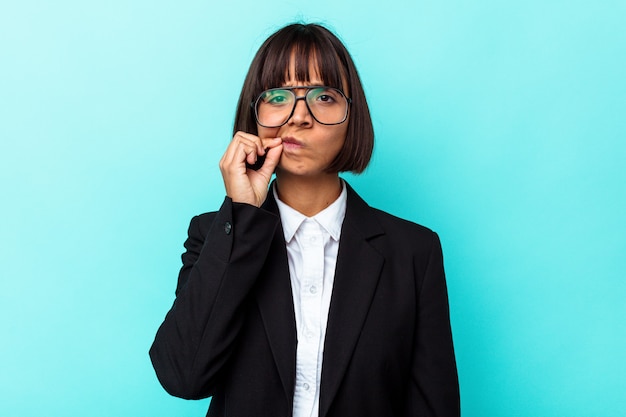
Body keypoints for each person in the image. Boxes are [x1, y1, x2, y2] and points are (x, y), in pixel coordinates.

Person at [150, 23, 460, 417]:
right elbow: (183, 376)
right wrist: (242, 215)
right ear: (254, 115)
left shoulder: (414, 251)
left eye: (324, 96)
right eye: (278, 96)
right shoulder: (214, 234)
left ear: (352, 117)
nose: (299, 117)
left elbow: (434, 406)